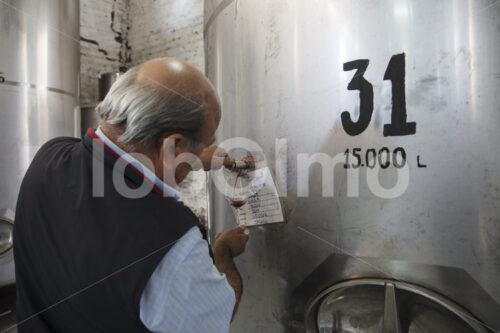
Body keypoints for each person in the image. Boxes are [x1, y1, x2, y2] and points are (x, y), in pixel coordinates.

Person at [13, 58, 249, 332]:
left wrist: (191, 156)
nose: (200, 154)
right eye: (201, 146)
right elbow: (216, 316)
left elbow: (109, 161)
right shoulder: (174, 246)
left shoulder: (48, 157)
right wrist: (222, 257)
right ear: (172, 146)